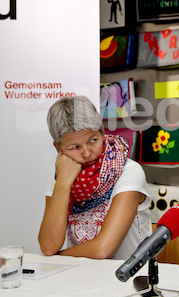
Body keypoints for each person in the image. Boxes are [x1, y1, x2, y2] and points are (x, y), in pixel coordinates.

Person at [38, 95, 151, 259]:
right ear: (58, 149)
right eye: (75, 147)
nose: (87, 153)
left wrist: (60, 257)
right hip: (82, 275)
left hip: (130, 277)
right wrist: (63, 183)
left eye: (93, 140)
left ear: (102, 132)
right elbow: (49, 246)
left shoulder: (129, 172)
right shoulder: (62, 176)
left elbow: (103, 249)